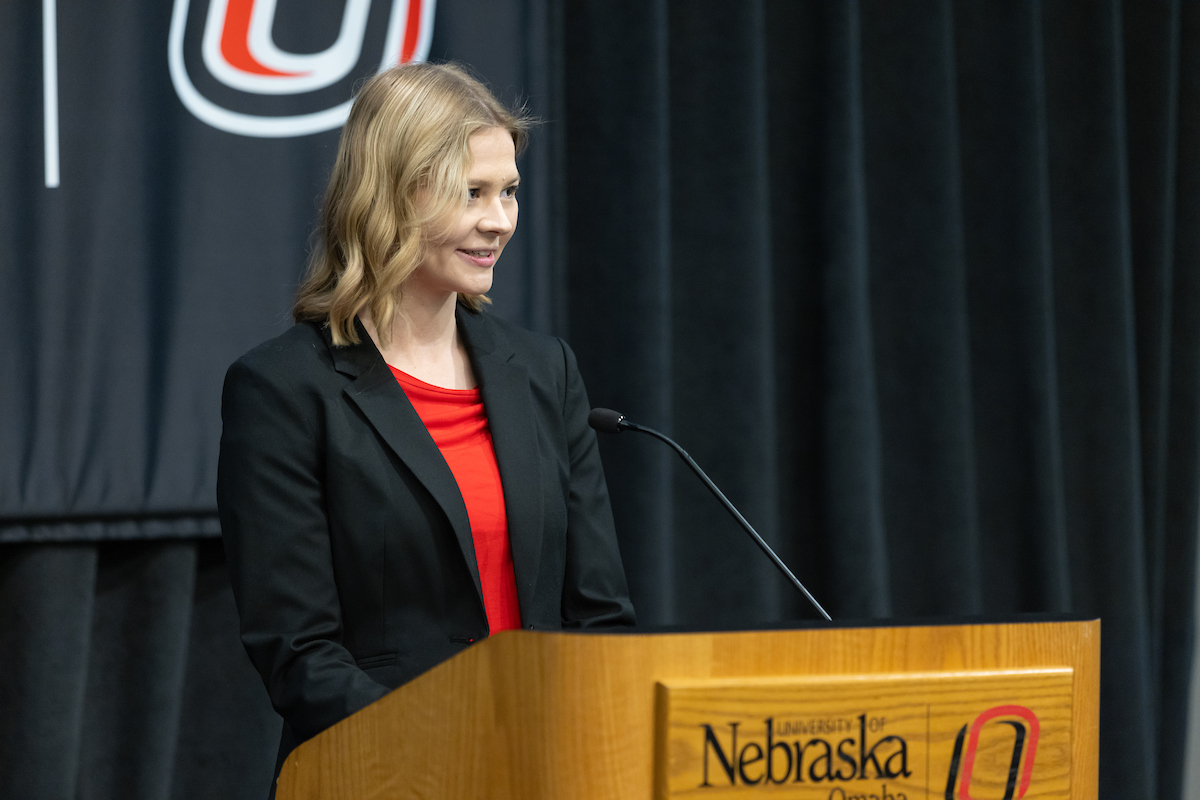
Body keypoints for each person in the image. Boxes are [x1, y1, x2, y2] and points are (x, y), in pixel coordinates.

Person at [216, 62, 635, 777]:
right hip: (384, 774)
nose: (499, 220)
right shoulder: (282, 389)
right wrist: (451, 750)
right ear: (392, 195)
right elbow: (299, 653)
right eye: (470, 193)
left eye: (508, 193)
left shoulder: (544, 371)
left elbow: (600, 618)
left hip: (547, 771)